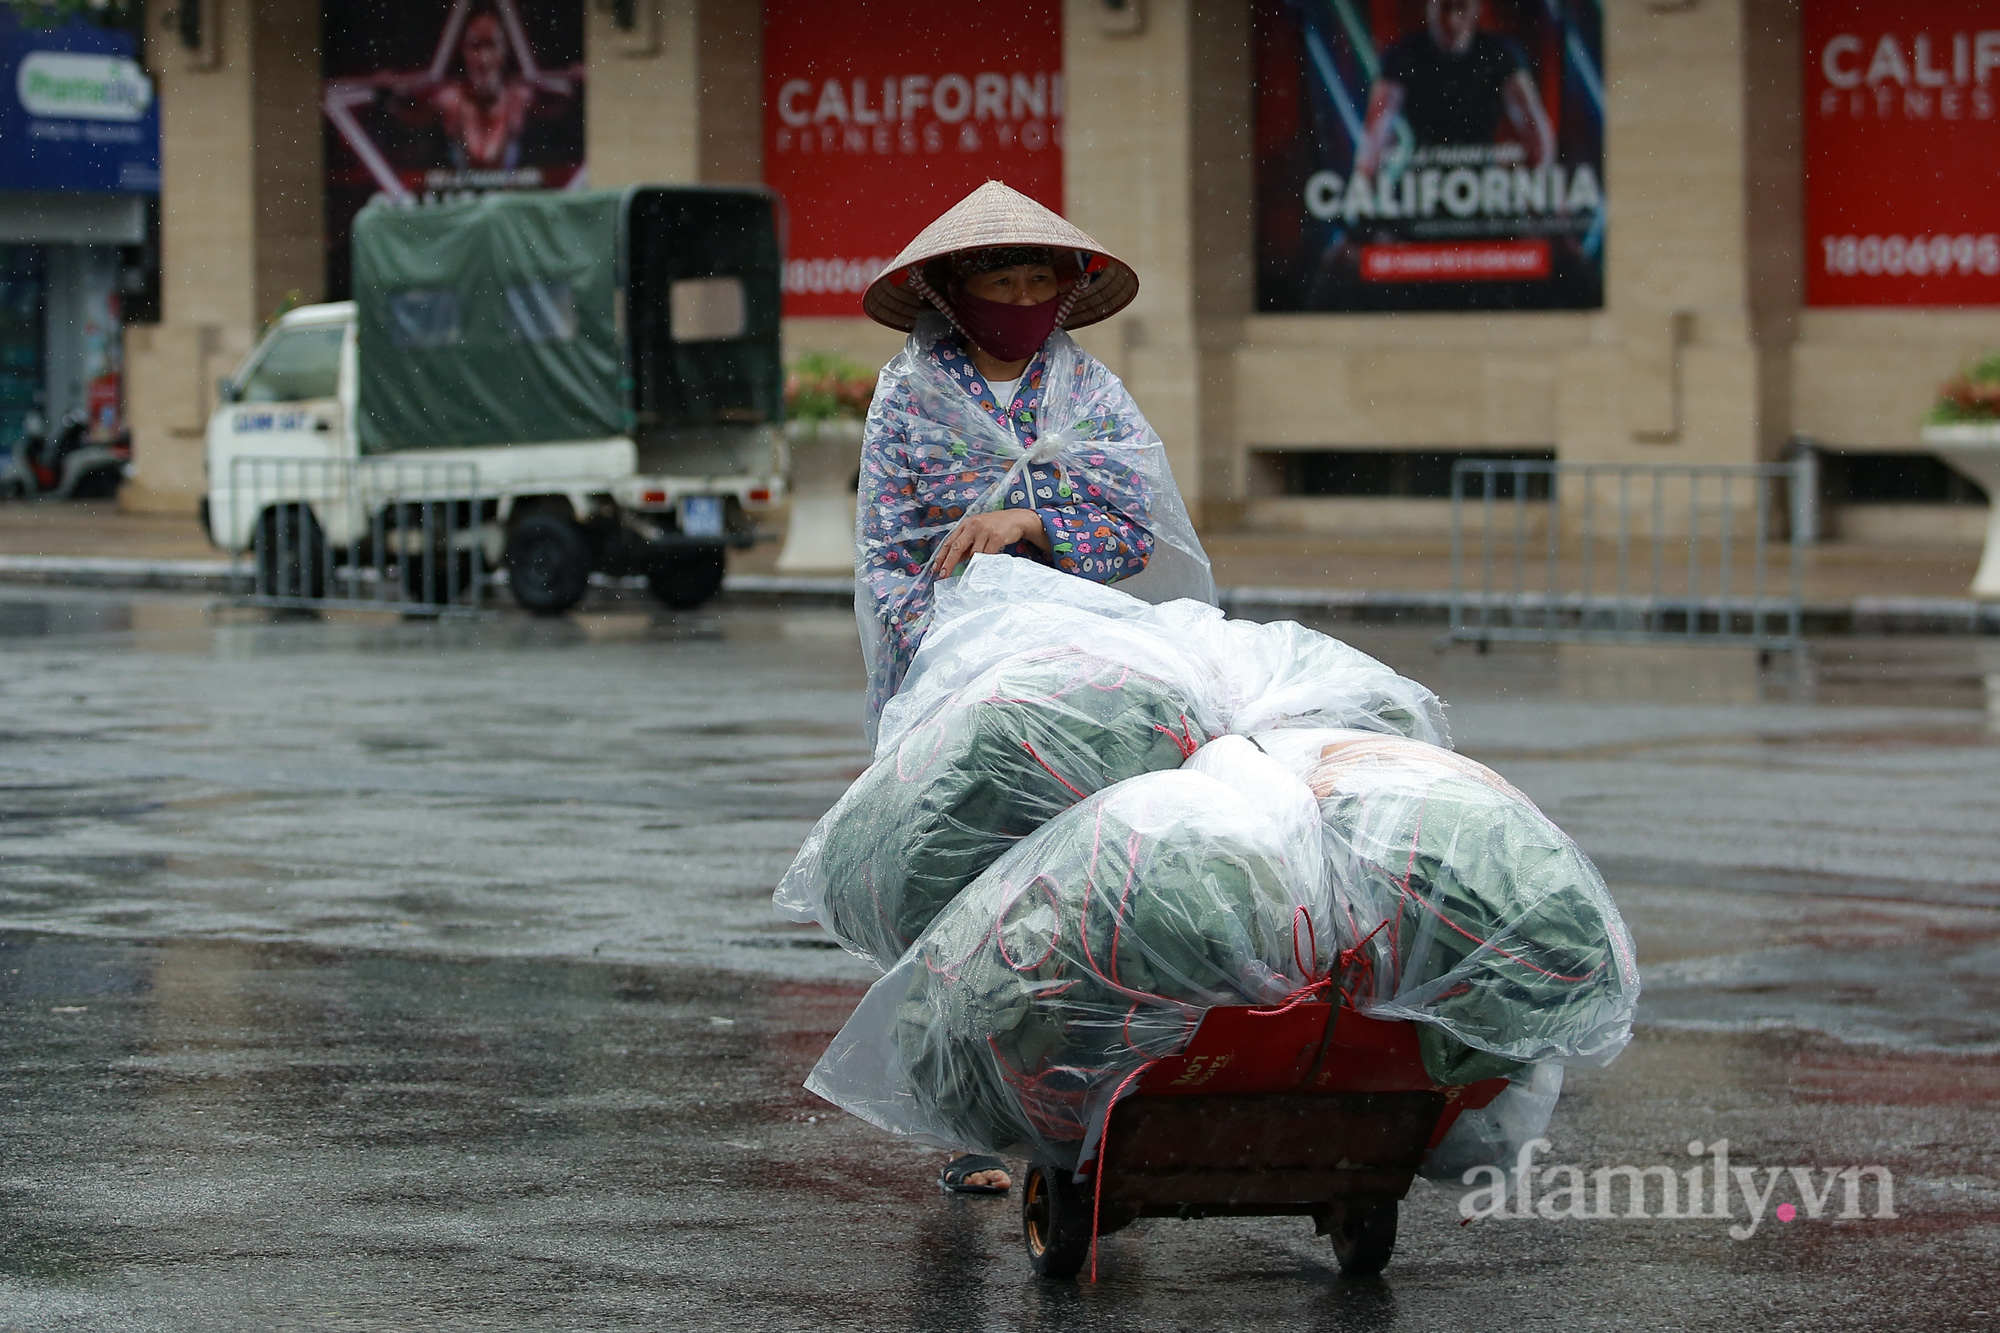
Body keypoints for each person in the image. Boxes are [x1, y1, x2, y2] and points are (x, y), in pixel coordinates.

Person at [854, 180, 1214, 1194]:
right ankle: (969, 1122)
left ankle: (1092, 1103)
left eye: (1032, 281)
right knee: (960, 899)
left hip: (1078, 683)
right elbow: (889, 552)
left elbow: (1136, 530)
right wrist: (954, 643)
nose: (1017, 298)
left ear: (1063, 291)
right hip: (957, 684)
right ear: (953, 293)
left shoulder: (1091, 395)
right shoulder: (908, 397)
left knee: (1079, 899)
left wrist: (1037, 528)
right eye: (997, 281)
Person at [1354, 0, 1554, 177]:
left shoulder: (1501, 55)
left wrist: (1539, 186)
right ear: (1429, 7)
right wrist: (1366, 187)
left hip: (1485, 187)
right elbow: (1375, 132)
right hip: (1420, 187)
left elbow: (1535, 130)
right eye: (1444, 7)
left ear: (1476, 8)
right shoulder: (1402, 58)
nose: (1451, 20)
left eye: (1461, 6)